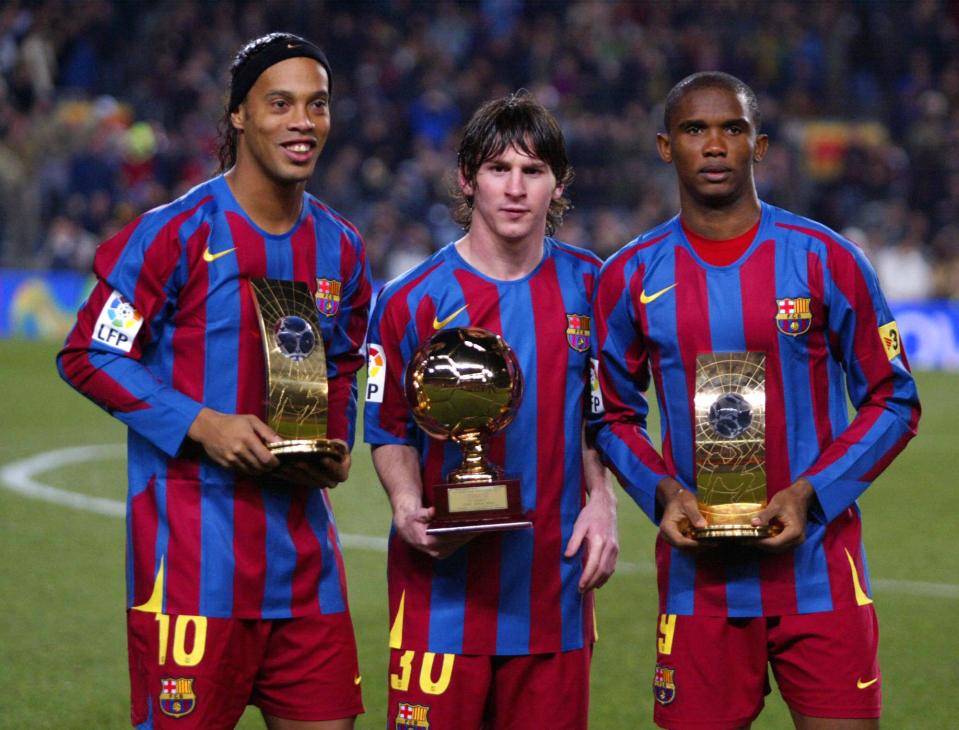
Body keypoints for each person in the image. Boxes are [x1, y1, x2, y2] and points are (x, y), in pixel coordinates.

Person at [57, 33, 371, 730]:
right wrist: (203, 424)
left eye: (317, 105)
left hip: (304, 564)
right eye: (280, 103)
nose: (302, 121)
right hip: (193, 563)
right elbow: (88, 353)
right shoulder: (176, 232)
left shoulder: (341, 246)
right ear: (238, 116)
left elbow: (344, 359)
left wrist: (333, 439)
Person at [591, 72, 920, 730]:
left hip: (819, 571)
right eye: (694, 129)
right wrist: (662, 493)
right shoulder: (627, 276)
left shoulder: (829, 259)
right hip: (697, 581)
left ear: (759, 146)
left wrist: (810, 494)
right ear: (664, 146)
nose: (713, 145)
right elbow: (611, 416)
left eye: (731, 129)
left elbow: (893, 398)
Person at [363, 91, 618, 730]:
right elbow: (388, 426)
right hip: (440, 597)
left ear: (558, 185)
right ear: (465, 178)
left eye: (532, 171)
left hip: (553, 592)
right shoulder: (407, 301)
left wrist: (603, 499)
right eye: (498, 169)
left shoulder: (594, 288)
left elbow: (603, 414)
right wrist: (402, 504)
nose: (515, 188)